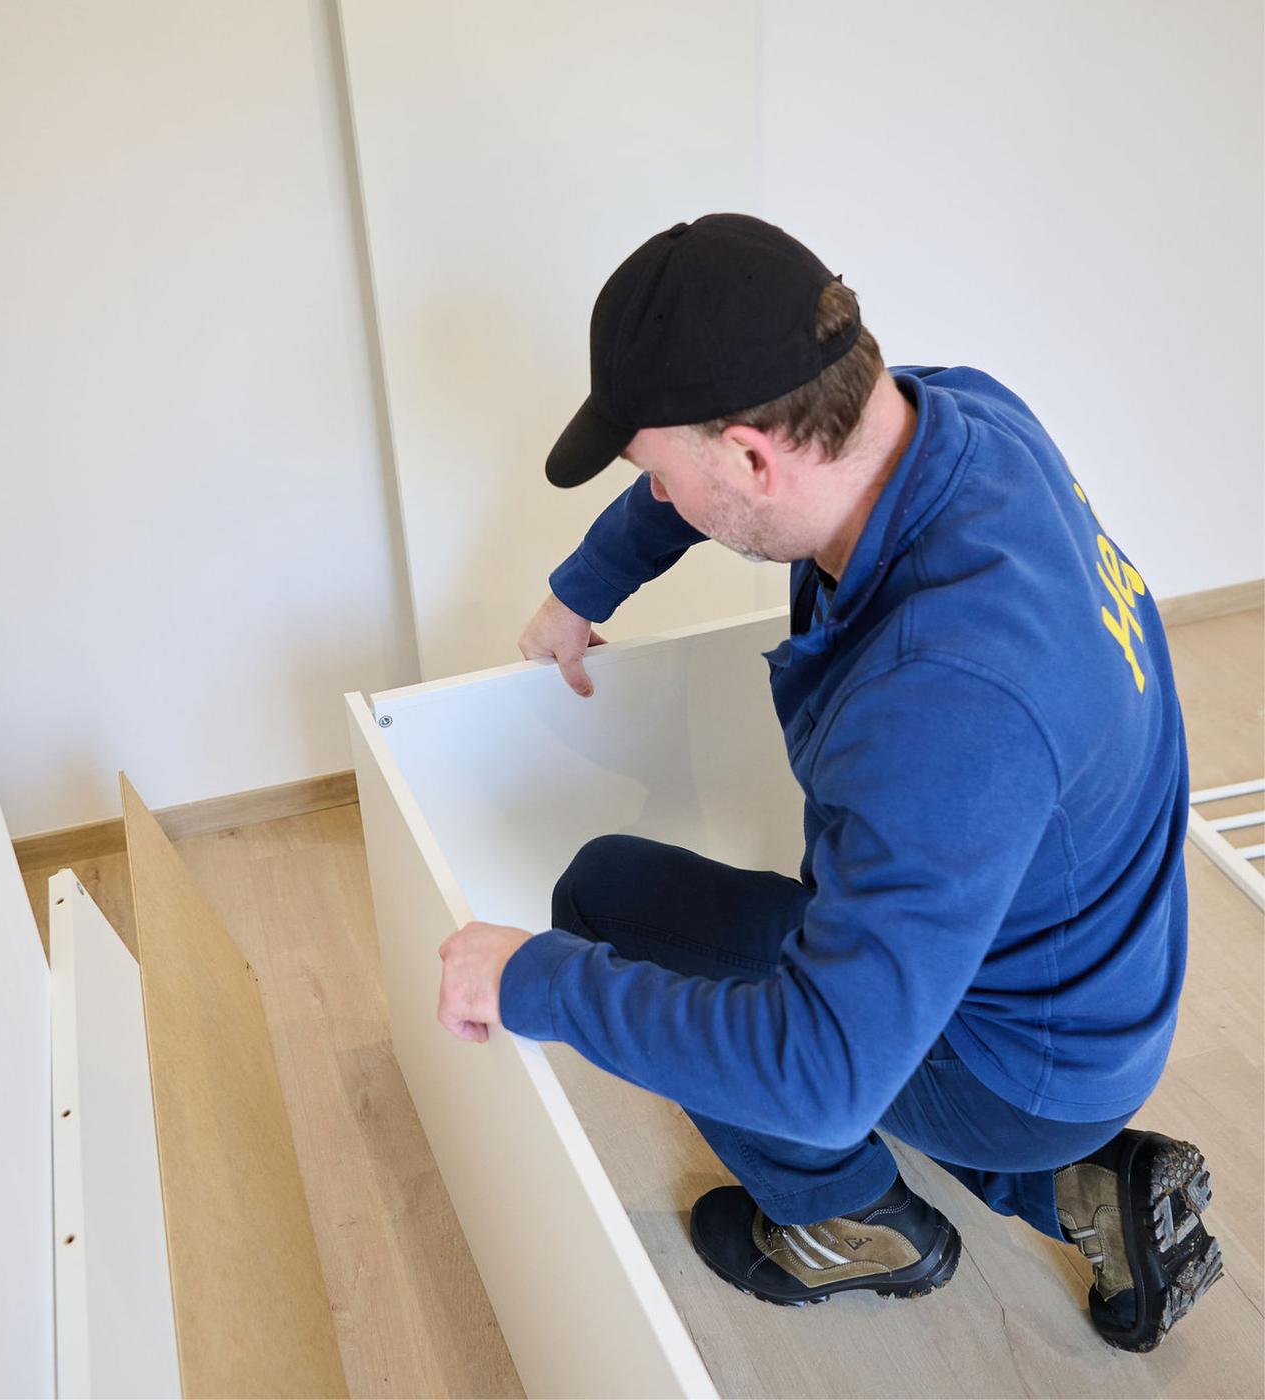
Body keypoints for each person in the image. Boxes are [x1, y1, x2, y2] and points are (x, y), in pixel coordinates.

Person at [434, 213, 1223, 1351]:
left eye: (655, 464)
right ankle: (1066, 1188)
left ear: (753, 455)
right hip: (1087, 973)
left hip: (1035, 1056)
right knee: (807, 950)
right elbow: (694, 491)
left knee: (607, 910)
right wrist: (583, 589)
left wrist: (531, 982)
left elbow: (817, 1073)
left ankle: (847, 1223)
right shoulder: (957, 418)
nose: (654, 490)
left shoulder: (945, 702)